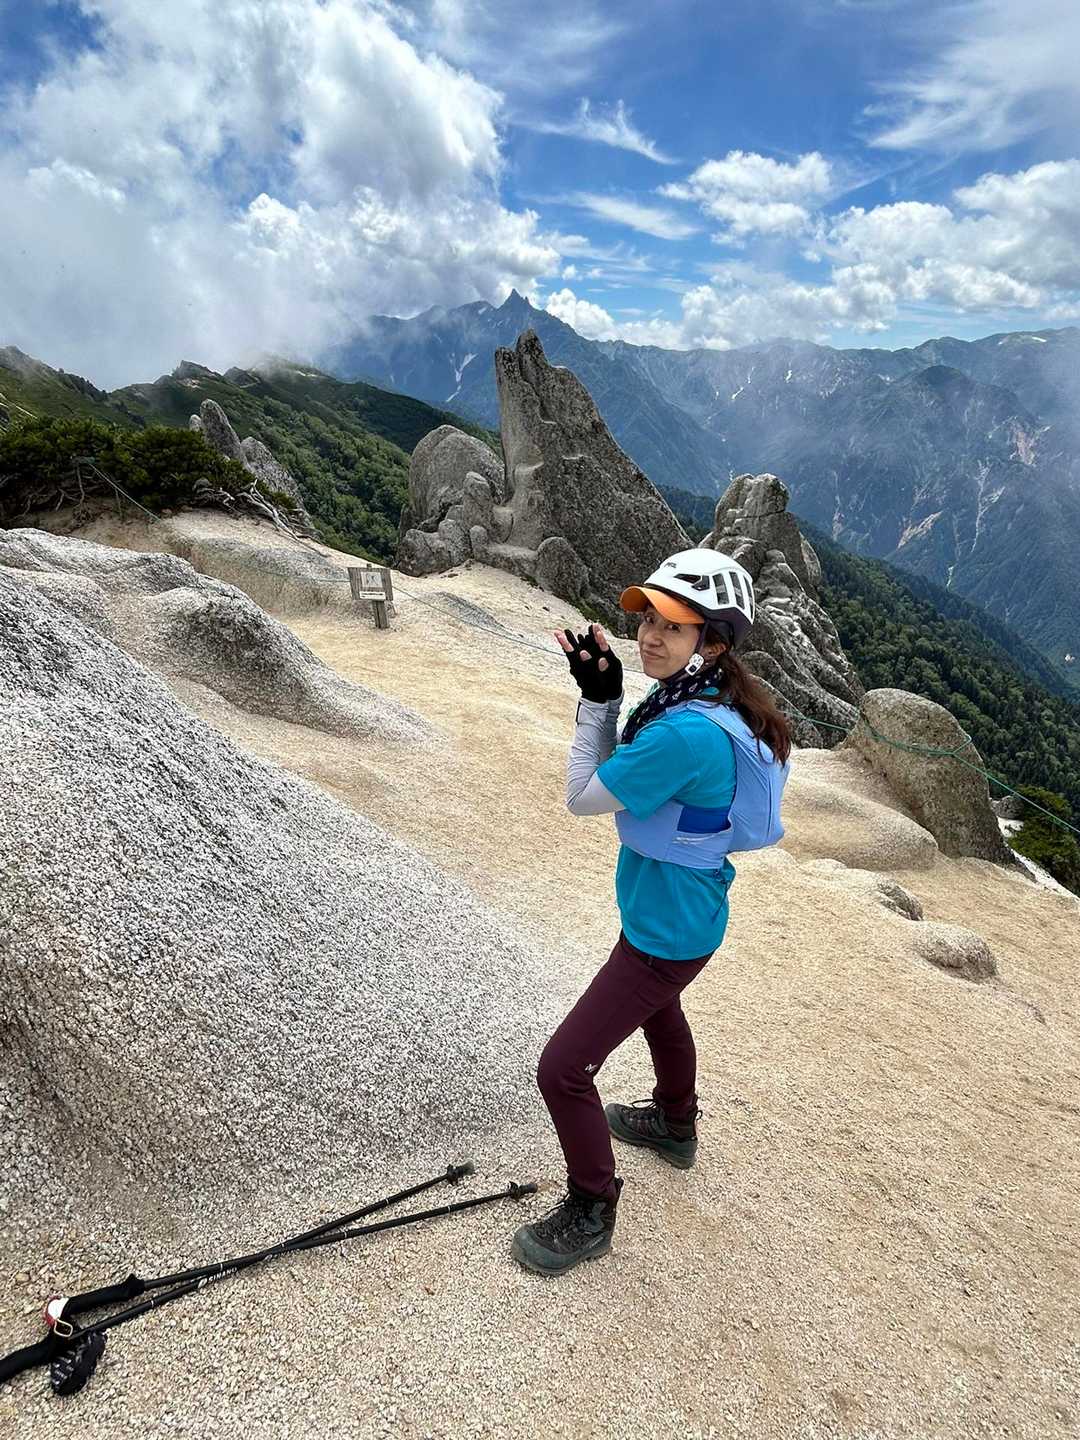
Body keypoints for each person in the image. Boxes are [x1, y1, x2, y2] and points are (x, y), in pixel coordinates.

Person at [511, 548, 792, 1277]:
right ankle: (674, 1123)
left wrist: (597, 705)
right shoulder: (708, 701)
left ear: (713, 642)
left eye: (673, 625)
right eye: (647, 619)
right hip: (682, 916)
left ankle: (592, 1206)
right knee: (661, 1013)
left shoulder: (682, 732)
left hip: (665, 931)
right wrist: (612, 697)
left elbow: (585, 795)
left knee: (562, 1069)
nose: (650, 636)